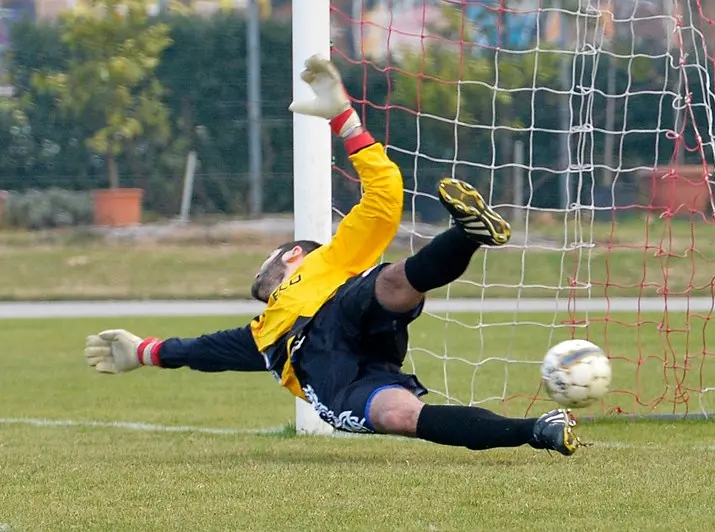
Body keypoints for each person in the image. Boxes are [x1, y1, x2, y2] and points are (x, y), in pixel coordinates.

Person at [84, 54, 582, 455]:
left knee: (388, 283)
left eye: (267, 259)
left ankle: (469, 233)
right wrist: (142, 352)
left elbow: (384, 195)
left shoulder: (331, 259)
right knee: (398, 417)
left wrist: (344, 119)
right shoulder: (262, 336)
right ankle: (539, 431)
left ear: (295, 256)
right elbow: (199, 352)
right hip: (342, 381)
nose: (257, 269)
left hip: (344, 308)